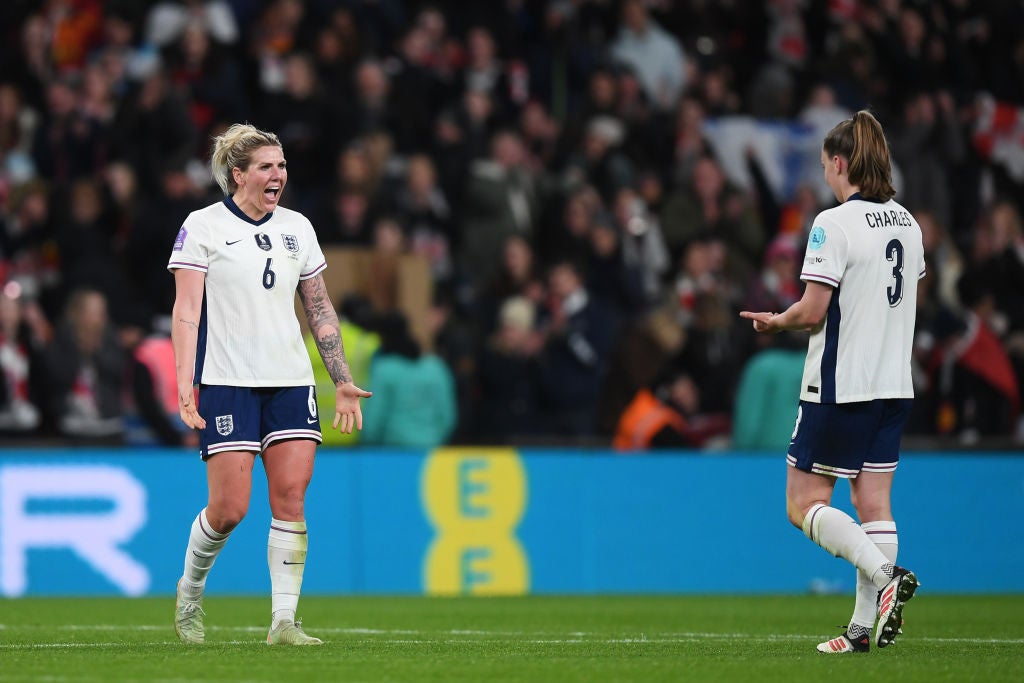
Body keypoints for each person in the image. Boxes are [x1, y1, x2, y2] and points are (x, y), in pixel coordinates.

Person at [167, 123, 371, 646]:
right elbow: (187, 310)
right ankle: (189, 590)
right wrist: (184, 381)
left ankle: (284, 622)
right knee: (230, 508)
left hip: (289, 381)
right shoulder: (203, 225)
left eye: (281, 165)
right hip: (226, 380)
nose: (278, 173)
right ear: (238, 174)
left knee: (291, 498)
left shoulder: (298, 228)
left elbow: (320, 308)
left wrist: (341, 379)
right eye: (266, 166)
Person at [739, 111, 924, 654]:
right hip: (894, 385)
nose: (825, 176)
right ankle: (863, 630)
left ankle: (887, 578)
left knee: (802, 504)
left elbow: (814, 308)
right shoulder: (908, 224)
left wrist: (776, 321)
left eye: (825, 166)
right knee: (875, 506)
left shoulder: (833, 223)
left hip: (842, 386)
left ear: (840, 163)